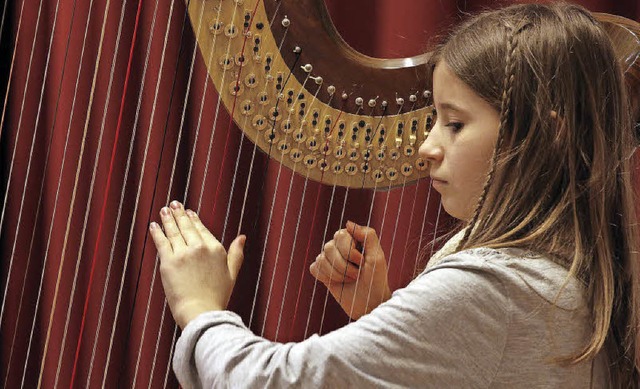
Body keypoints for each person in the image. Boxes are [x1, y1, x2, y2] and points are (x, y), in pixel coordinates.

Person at [149, 2, 640, 387]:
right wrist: (383, 314)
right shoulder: (571, 270)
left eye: (454, 123)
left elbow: (269, 382)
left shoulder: (494, 287)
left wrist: (202, 310)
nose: (427, 147)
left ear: (547, 136)